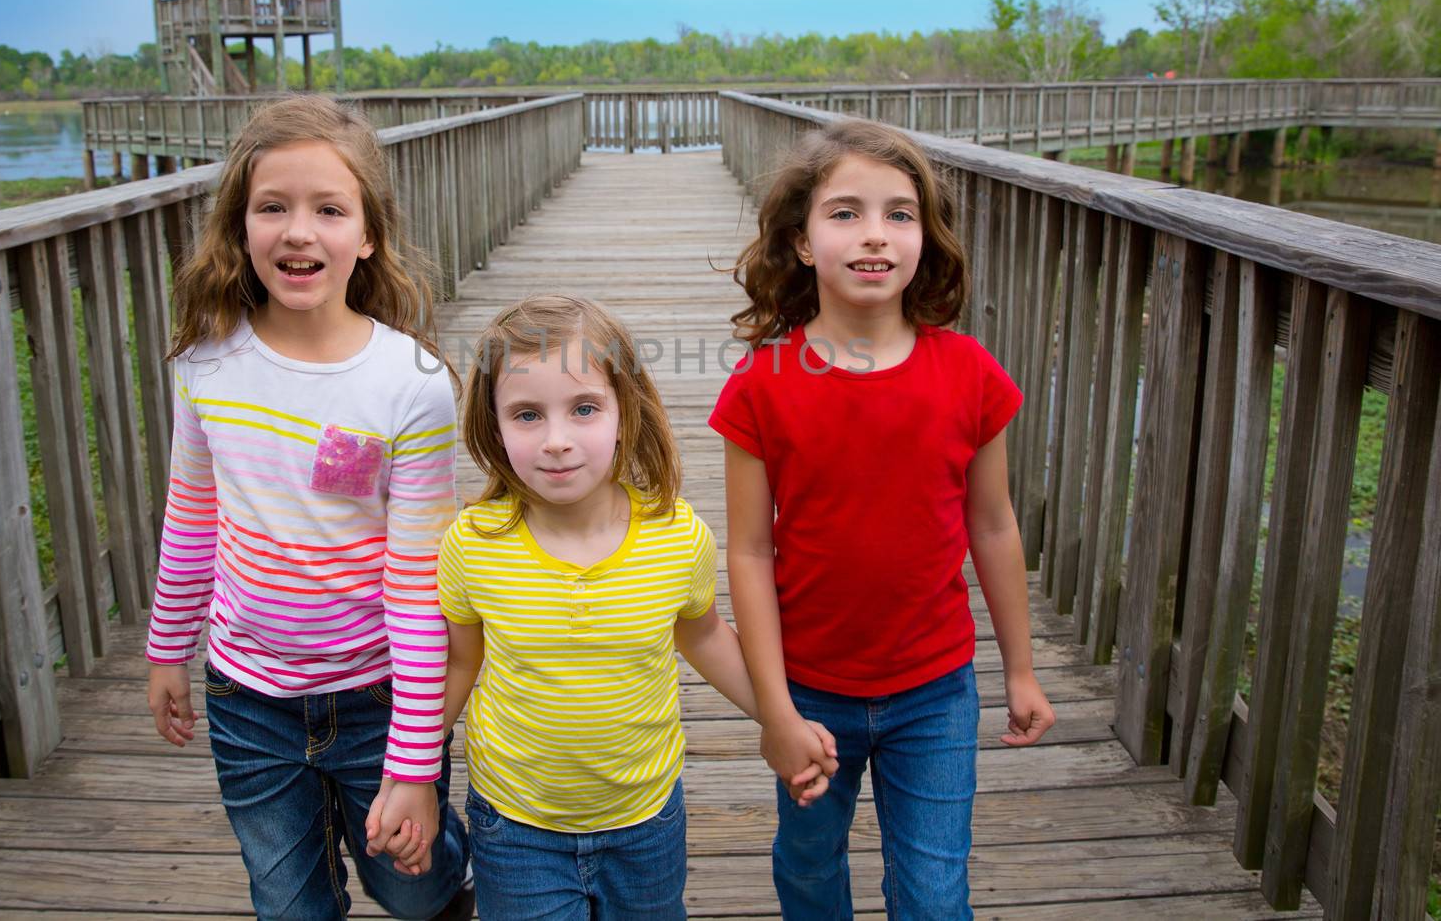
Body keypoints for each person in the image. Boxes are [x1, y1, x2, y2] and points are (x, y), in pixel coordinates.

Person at [711, 118, 1056, 920]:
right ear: (801, 242)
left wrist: (1023, 669)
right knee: (806, 870)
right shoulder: (763, 385)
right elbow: (751, 555)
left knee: (934, 897)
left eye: (899, 214)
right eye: (846, 213)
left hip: (934, 689)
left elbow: (994, 526)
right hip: (809, 687)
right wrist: (775, 711)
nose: (875, 236)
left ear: (925, 240)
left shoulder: (969, 374)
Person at [143, 94, 473, 921]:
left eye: (329, 210)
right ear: (240, 226)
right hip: (246, 693)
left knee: (413, 884)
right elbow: (190, 516)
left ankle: (457, 875)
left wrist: (412, 766)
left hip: (376, 693)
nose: (298, 231)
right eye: (273, 207)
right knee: (288, 903)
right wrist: (165, 650)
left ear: (366, 236)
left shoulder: (412, 385)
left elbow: (416, 581)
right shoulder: (205, 365)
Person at [421, 294, 835, 919]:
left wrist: (779, 719)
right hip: (515, 820)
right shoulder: (473, 546)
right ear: (493, 424)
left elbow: (703, 636)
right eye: (527, 415)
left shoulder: (675, 537)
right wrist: (411, 776)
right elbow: (459, 665)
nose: (557, 441)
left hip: (645, 818)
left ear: (625, 410)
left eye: (584, 408)